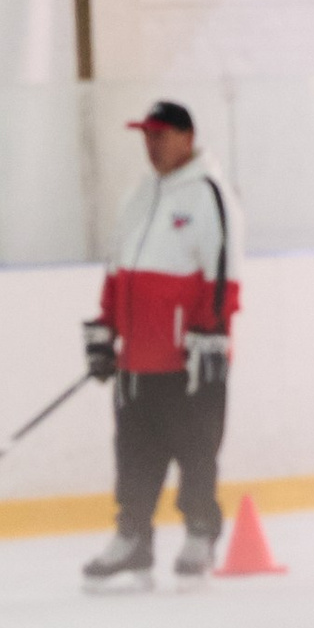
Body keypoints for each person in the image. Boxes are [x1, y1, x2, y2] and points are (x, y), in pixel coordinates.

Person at [80, 99, 246, 587]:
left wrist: (209, 336)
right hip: (137, 360)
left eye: (159, 135)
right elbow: (117, 270)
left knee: (195, 450)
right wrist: (104, 333)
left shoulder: (210, 195)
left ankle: (199, 533)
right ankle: (132, 540)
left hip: (188, 361)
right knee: (132, 453)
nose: (150, 145)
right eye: (145, 136)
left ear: (186, 138)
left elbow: (223, 279)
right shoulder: (141, 195)